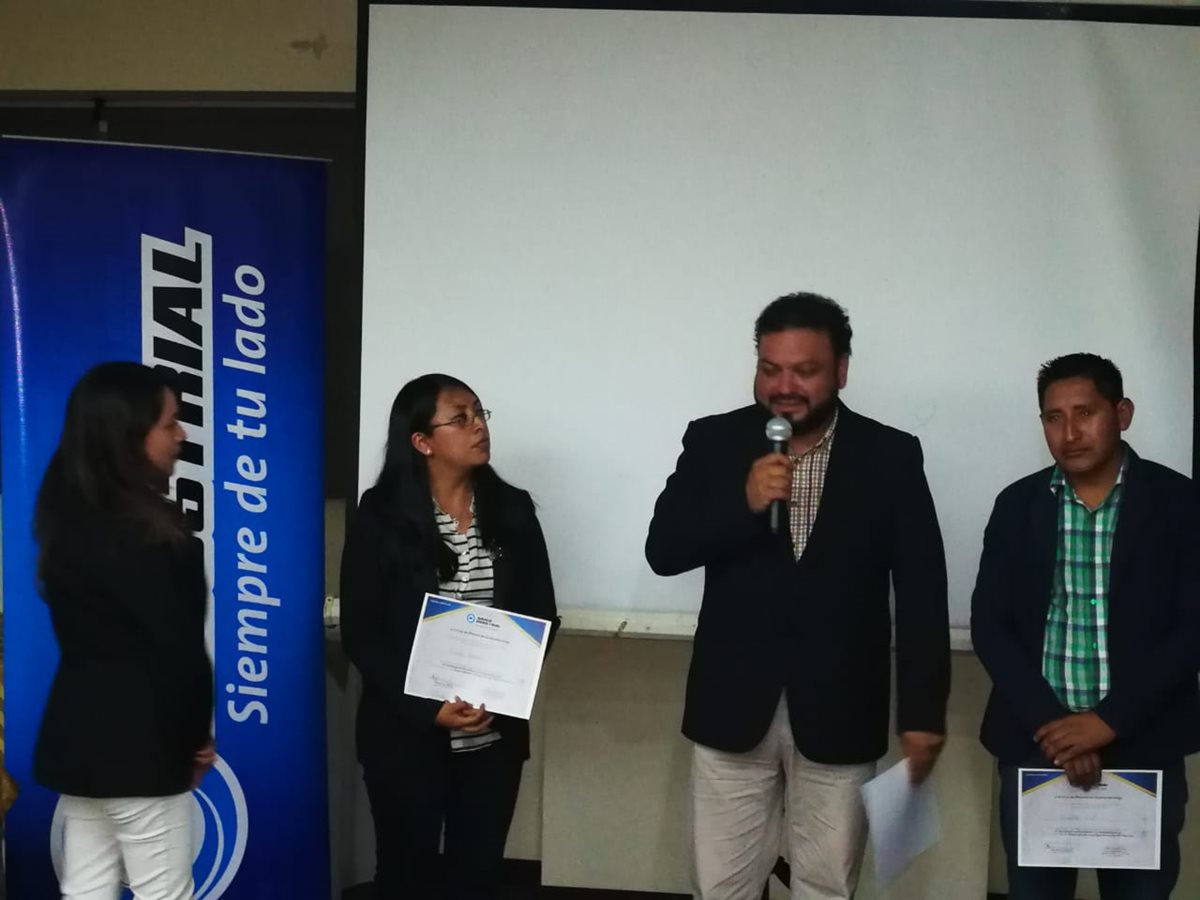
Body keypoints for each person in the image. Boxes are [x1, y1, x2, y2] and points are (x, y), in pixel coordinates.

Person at [645, 292, 950, 900]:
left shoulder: (890, 455)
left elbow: (921, 591)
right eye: (770, 368)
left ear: (840, 369)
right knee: (721, 888)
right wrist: (745, 504)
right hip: (731, 707)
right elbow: (664, 549)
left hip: (842, 709)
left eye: (804, 370)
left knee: (825, 885)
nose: (784, 386)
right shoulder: (713, 441)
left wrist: (921, 713)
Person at [971, 353, 1200, 900]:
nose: (1069, 432)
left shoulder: (1180, 502)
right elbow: (989, 623)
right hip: (1036, 745)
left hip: (1144, 745)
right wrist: (1056, 727)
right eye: (1053, 417)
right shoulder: (1018, 504)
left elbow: (1192, 627)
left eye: (1085, 412)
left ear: (1121, 413)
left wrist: (1107, 721)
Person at [340, 373, 559, 899]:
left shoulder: (513, 509)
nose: (478, 426)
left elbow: (541, 616)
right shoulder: (382, 515)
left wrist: (500, 686)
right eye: (459, 418)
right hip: (405, 735)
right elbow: (363, 632)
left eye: (480, 413)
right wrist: (427, 706)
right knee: (404, 875)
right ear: (422, 441)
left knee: (477, 877)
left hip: (492, 736)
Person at [33, 362, 214, 900]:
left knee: (84, 890)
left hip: (78, 746)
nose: (181, 436)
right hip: (143, 749)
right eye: (171, 423)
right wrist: (195, 740)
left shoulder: (65, 526)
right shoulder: (157, 537)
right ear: (129, 436)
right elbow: (178, 654)